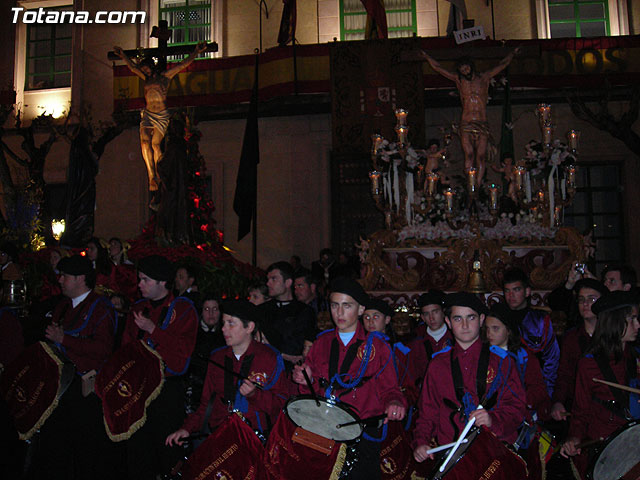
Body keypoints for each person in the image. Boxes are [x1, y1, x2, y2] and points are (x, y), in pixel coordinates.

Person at [293, 277, 407, 480]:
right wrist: (305, 380)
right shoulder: (322, 343)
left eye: (347, 306)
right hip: (326, 433)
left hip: (362, 436)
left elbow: (391, 390)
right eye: (335, 305)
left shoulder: (379, 348)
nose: (339, 312)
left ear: (361, 309)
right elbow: (310, 393)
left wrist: (395, 403)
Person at [413, 292, 526, 463]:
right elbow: (427, 412)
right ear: (448, 322)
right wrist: (421, 442)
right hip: (452, 455)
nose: (465, 325)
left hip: (494, 453)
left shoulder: (502, 362)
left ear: (481, 320)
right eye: (458, 319)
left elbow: (517, 409)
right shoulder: (437, 365)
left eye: (470, 318)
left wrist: (492, 420)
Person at [36, 255, 116, 480]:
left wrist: (65, 340)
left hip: (85, 394)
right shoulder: (62, 305)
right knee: (57, 451)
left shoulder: (100, 308)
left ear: (81, 278)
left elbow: (103, 350)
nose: (60, 280)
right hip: (60, 391)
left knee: (85, 454)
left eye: (65, 276)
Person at [166, 300, 290, 446]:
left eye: (231, 323)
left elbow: (282, 405)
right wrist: (186, 429)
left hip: (255, 439)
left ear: (249, 327)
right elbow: (205, 404)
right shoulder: (216, 357)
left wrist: (255, 395)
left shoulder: (269, 358)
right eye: (223, 323)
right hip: (220, 435)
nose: (224, 329)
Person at [120, 255, 198, 480]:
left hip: (167, 392)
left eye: (145, 280)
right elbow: (126, 348)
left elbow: (182, 354)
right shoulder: (138, 308)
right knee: (137, 453)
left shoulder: (183, 309)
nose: (140, 284)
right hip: (139, 391)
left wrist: (154, 329)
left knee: (167, 453)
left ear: (162, 282)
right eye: (140, 279)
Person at [560, 291, 640, 479]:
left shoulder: (635, 357)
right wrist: (574, 439)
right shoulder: (589, 364)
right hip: (609, 448)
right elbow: (580, 411)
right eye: (633, 319)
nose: (638, 325)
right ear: (615, 321)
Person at [113, 42, 207, 198]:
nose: (144, 71)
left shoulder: (165, 77)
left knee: (156, 145)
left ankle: (159, 173)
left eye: (146, 68)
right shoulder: (146, 78)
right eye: (143, 69)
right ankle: (151, 175)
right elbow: (132, 68)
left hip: (161, 115)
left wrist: (196, 52)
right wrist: (123, 55)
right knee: (144, 142)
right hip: (149, 114)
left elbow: (183, 64)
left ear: (152, 66)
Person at [420, 49, 519, 185]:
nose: (465, 71)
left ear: (471, 66)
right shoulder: (459, 80)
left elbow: (502, 64)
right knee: (469, 155)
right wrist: (427, 56)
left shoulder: (484, 77)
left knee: (481, 157)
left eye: (466, 68)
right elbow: (439, 68)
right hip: (466, 122)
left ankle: (477, 183)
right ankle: (471, 183)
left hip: (482, 122)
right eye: (462, 69)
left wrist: (512, 53)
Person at [551, 279, 608, 422]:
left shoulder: (612, 335)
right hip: (577, 403)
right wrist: (558, 402)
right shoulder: (571, 337)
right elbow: (564, 374)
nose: (585, 304)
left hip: (606, 406)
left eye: (591, 299)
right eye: (581, 299)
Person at [503, 267, 560, 395]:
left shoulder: (540, 320)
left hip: (535, 386)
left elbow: (551, 357)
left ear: (527, 291)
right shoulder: (499, 319)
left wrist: (546, 391)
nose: (511, 295)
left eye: (516, 290)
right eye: (507, 291)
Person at [259, 261, 317, 368]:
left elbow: (296, 348)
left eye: (274, 279)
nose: (268, 283)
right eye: (268, 279)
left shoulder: (304, 311)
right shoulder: (261, 310)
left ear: (288, 282)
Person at [186, 293, 225, 411]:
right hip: (194, 388)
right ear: (201, 311)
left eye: (215, 309)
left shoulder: (226, 335)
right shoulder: (192, 333)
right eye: (207, 309)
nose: (211, 314)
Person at [415, 290, 453, 358]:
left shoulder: (455, 338)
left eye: (435, 312)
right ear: (423, 317)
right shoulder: (417, 343)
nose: (431, 318)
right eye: (427, 314)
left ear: (443, 313)